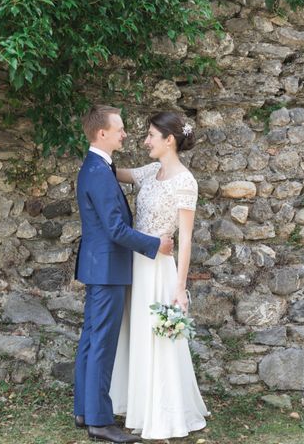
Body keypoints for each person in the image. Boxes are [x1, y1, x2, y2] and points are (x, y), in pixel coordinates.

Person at [74, 105, 174, 443]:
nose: (125, 134)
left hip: (100, 267)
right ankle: (100, 422)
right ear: (102, 133)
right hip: (107, 269)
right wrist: (155, 243)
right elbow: (116, 229)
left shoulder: (97, 167)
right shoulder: (99, 171)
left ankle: (85, 410)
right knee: (101, 343)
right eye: (120, 129)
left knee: (91, 340)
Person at [109, 111, 209, 440]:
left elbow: (186, 238)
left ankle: (163, 413)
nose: (145, 141)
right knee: (137, 336)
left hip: (159, 272)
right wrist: (100, 151)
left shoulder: (186, 181)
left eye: (151, 135)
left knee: (159, 341)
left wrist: (180, 288)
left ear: (169, 140)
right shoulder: (151, 171)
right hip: (135, 266)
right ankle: (138, 406)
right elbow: (115, 173)